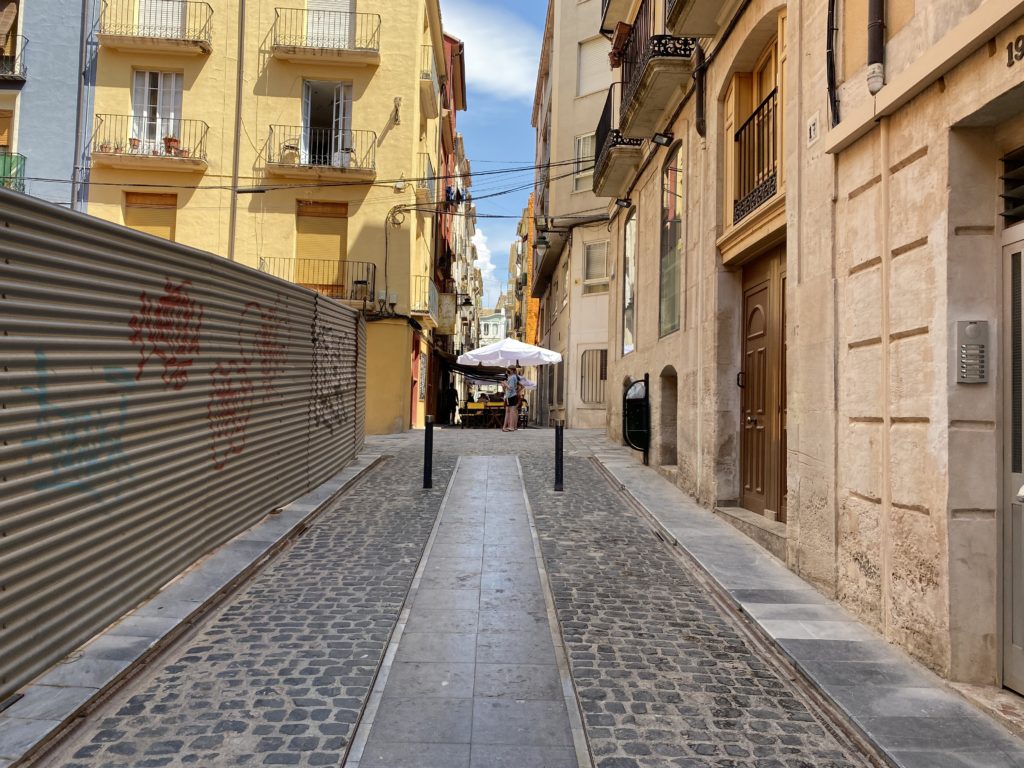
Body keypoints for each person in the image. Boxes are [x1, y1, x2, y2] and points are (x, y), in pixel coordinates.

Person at [502, 367, 520, 432]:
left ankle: (511, 426)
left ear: (512, 370)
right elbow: (508, 389)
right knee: (509, 412)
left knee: (510, 412)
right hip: (509, 396)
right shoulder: (511, 377)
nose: (507, 371)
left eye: (508, 370)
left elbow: (511, 388)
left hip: (511, 396)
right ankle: (507, 427)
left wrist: (505, 383)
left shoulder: (512, 377)